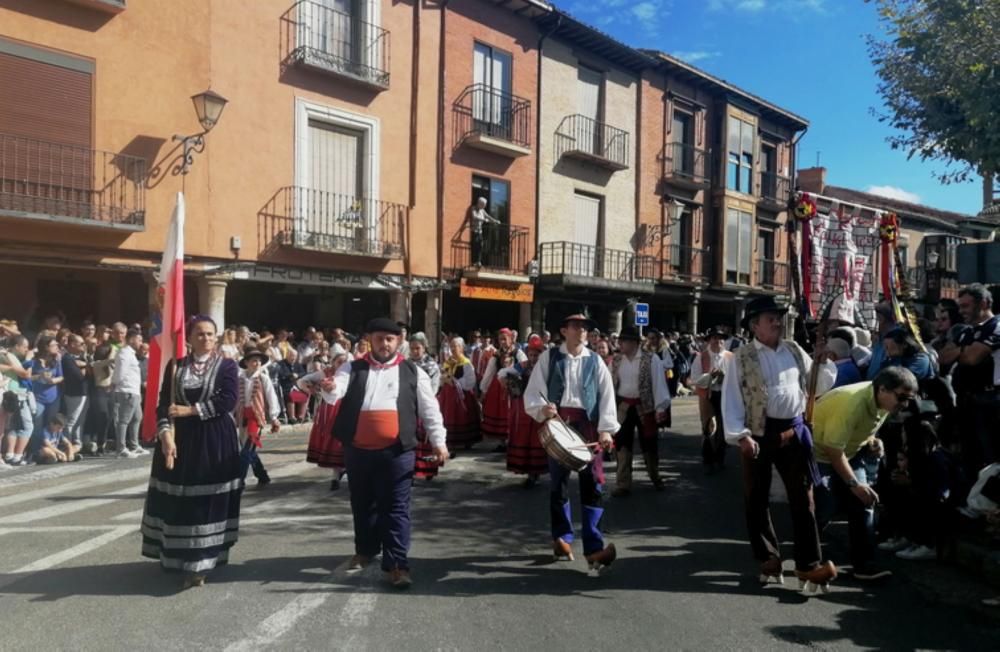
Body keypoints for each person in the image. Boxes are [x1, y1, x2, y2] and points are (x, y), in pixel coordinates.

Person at [721, 296, 839, 593]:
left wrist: (822, 363)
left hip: (794, 430)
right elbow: (732, 400)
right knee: (756, 498)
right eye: (770, 317)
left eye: (778, 316)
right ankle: (769, 560)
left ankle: (808, 565)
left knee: (804, 499)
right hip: (758, 433)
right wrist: (741, 435)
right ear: (754, 325)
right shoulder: (742, 357)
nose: (777, 321)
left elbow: (818, 386)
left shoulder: (795, 349)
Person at [323, 318, 448, 589]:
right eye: (379, 339)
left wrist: (439, 442)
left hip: (397, 451)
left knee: (396, 508)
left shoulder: (414, 371)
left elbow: (430, 410)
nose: (385, 344)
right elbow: (336, 392)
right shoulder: (352, 367)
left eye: (390, 339)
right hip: (357, 450)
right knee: (362, 501)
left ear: (398, 341)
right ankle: (366, 550)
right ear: (371, 340)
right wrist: (330, 389)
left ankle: (397, 564)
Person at [142, 315, 243, 589]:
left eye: (210, 334)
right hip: (181, 439)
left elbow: (228, 400)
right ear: (188, 337)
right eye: (200, 333)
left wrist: (190, 410)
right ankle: (178, 557)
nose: (206, 338)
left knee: (206, 501)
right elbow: (164, 404)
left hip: (213, 438)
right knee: (180, 499)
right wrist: (165, 435)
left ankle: (202, 561)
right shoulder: (176, 367)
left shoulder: (227, 366)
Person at [524, 313, 619, 573]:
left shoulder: (596, 360)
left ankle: (594, 549)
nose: (583, 331)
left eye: (586, 327)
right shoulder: (550, 357)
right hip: (559, 426)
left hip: (589, 428)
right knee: (559, 484)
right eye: (577, 327)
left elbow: (606, 395)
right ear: (564, 331)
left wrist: (606, 430)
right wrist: (544, 409)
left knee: (594, 486)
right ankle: (562, 538)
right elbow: (533, 392)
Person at [812, 367, 919, 581]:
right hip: (820, 453)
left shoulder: (884, 402)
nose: (904, 404)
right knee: (825, 507)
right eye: (901, 397)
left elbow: (863, 430)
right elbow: (833, 450)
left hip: (849, 451)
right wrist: (854, 484)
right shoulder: (852, 403)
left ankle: (864, 565)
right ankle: (808, 555)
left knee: (864, 502)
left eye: (909, 399)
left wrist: (872, 442)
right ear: (882, 389)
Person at [938, 283, 1000, 477]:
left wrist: (962, 352)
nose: (961, 311)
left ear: (983, 304)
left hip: (992, 401)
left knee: (991, 457)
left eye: (965, 306)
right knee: (969, 456)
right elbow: (943, 356)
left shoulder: (996, 326)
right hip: (967, 401)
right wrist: (965, 351)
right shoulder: (966, 331)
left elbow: (973, 358)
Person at [609, 326, 671, 496]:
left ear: (635, 343)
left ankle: (655, 476)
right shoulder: (616, 360)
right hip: (623, 406)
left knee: (649, 443)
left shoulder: (651, 359)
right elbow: (609, 386)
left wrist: (660, 407)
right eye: (620, 341)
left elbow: (659, 384)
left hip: (645, 407)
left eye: (624, 341)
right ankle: (623, 483)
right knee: (622, 443)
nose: (620, 344)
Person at [500, 335, 549, 487]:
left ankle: (535, 471)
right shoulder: (523, 365)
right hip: (523, 407)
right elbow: (503, 373)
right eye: (531, 354)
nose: (533, 357)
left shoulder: (546, 368)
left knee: (536, 438)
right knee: (524, 437)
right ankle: (528, 470)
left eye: (536, 354)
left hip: (539, 407)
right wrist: (507, 381)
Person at [303, 344, 352, 490]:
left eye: (344, 361)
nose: (342, 365)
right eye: (339, 362)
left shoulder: (351, 372)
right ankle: (336, 475)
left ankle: (346, 470)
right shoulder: (325, 373)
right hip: (331, 412)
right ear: (333, 362)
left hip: (350, 411)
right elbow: (302, 381)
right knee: (335, 442)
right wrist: (312, 388)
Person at [689, 327, 733, 473]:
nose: (717, 341)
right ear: (709, 341)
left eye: (720, 338)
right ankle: (708, 460)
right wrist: (710, 376)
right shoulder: (700, 357)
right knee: (708, 428)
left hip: (725, 396)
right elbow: (695, 379)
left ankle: (720, 458)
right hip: (707, 395)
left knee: (722, 428)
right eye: (714, 338)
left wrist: (724, 376)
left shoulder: (731, 357)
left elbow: (736, 379)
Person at [236, 347, 280, 487]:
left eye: (259, 361)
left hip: (256, 419)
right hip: (242, 417)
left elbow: (271, 397)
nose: (257, 364)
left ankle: (239, 480)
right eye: (254, 361)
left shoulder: (263, 378)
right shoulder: (240, 379)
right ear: (247, 363)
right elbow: (235, 399)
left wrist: (274, 417)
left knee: (246, 450)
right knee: (249, 449)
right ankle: (262, 475)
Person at [479, 328, 526, 448]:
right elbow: (489, 372)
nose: (503, 342)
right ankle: (502, 441)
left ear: (511, 339)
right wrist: (484, 389)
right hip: (499, 387)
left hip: (514, 386)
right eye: (501, 339)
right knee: (500, 413)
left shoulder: (518, 353)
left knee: (513, 411)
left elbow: (525, 365)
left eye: (505, 339)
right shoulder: (496, 355)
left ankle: (512, 439)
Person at [406, 333, 443, 482]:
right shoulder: (406, 364)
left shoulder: (431, 365)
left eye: (418, 348)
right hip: (409, 406)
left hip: (425, 403)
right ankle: (411, 469)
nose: (415, 351)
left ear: (424, 348)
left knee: (426, 437)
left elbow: (434, 387)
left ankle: (428, 469)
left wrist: (424, 401)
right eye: (412, 348)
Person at [110, 328, 147, 458]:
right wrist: (115, 384)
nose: (141, 343)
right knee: (124, 420)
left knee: (137, 417)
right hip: (127, 390)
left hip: (134, 391)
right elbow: (120, 372)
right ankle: (121, 448)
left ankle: (134, 445)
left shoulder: (131, 353)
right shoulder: (124, 353)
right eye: (139, 339)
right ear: (131, 339)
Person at [439, 337, 480, 451]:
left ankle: (466, 440)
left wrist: (454, 382)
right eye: (451, 346)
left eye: (455, 346)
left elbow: (470, 381)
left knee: (463, 417)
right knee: (448, 416)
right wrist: (443, 379)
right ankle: (449, 440)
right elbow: (442, 375)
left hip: (462, 396)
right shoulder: (448, 362)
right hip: (448, 396)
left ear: (461, 348)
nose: (452, 349)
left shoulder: (466, 363)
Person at [1, 335, 35, 465]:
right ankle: (16, 455)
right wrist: (28, 359)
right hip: (13, 394)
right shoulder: (9, 356)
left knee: (13, 426)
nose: (27, 349)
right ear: (16, 346)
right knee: (26, 426)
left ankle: (11, 455)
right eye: (25, 347)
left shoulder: (9, 356)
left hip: (13, 393)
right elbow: (25, 374)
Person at [29, 335, 64, 456]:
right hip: (38, 397)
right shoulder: (34, 361)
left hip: (53, 396)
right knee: (37, 426)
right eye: (54, 345)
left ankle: (50, 450)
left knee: (51, 424)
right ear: (45, 347)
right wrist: (39, 376)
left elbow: (61, 376)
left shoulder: (56, 360)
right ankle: (35, 451)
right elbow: (27, 377)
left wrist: (54, 381)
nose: (57, 347)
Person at [60, 334, 89, 451]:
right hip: (74, 394)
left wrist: (85, 364)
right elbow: (78, 376)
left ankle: (77, 443)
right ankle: (67, 445)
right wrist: (86, 368)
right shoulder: (67, 358)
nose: (84, 346)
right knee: (71, 421)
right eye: (81, 343)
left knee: (80, 421)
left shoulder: (80, 358)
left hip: (83, 393)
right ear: (72, 344)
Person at [469, 196, 500, 267]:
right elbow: (474, 216)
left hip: (480, 232)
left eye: (484, 205)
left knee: (480, 246)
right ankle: (474, 261)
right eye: (483, 205)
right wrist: (483, 220)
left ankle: (478, 261)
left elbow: (488, 216)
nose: (484, 206)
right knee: (475, 246)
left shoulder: (482, 211)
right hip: (474, 231)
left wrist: (495, 221)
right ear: (479, 203)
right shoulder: (473, 208)